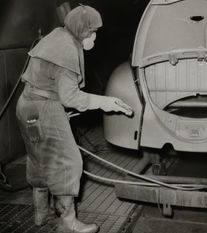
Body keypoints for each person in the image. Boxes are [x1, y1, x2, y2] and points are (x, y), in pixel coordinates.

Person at [16, 5, 133, 233]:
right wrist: (106, 102)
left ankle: (41, 213)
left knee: (39, 158)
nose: (95, 37)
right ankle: (68, 223)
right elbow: (71, 98)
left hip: (27, 106)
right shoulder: (67, 49)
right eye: (92, 32)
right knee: (69, 162)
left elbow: (48, 80)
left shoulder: (57, 34)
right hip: (45, 108)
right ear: (82, 30)